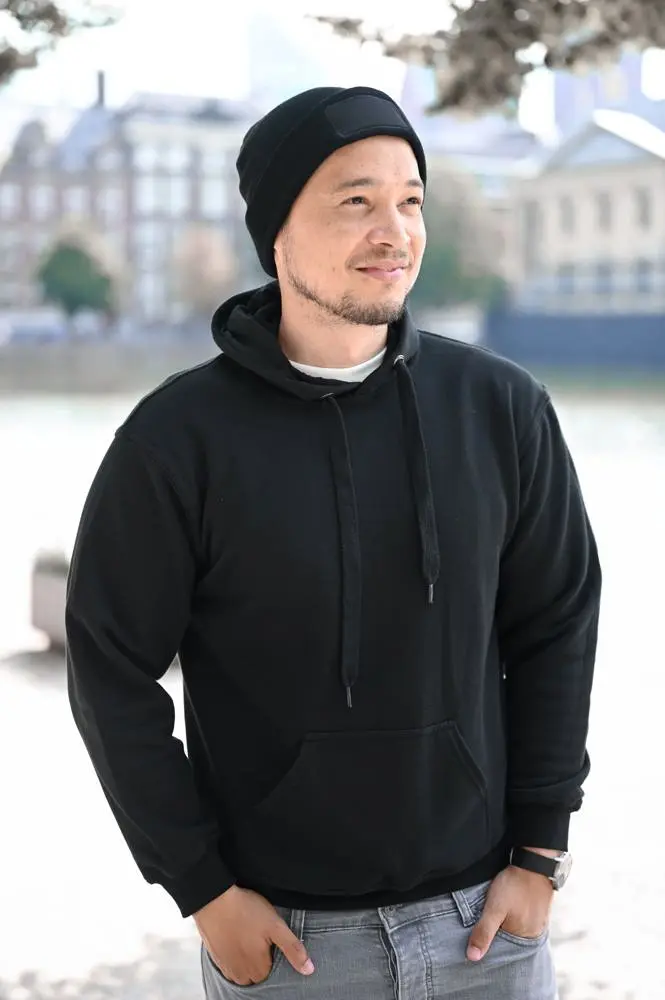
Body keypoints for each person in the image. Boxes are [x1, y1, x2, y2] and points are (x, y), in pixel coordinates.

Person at [66, 86, 601, 1000]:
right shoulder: (177, 441)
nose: (393, 232)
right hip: (291, 947)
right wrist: (202, 889)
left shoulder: (501, 410)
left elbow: (557, 626)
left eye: (409, 201)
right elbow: (108, 667)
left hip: (488, 929)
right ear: (275, 233)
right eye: (356, 201)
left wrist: (540, 852)